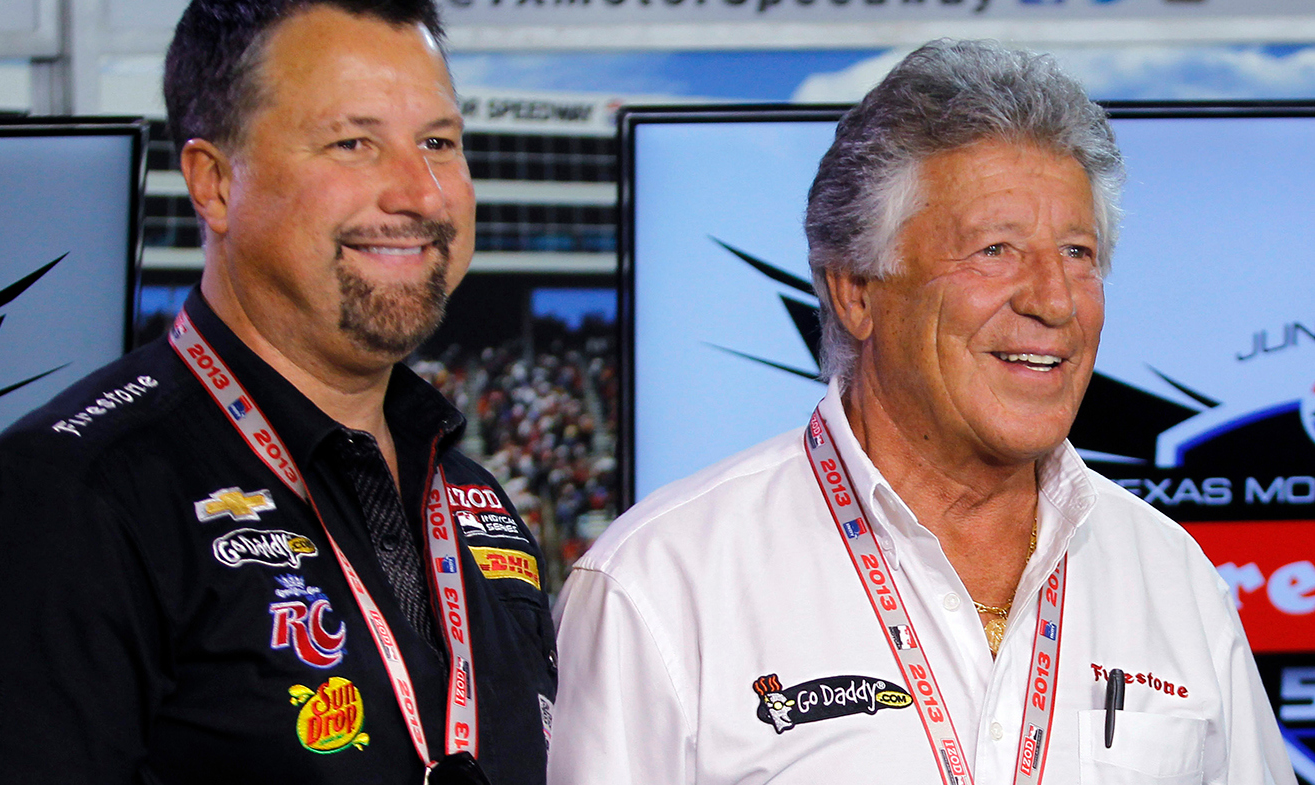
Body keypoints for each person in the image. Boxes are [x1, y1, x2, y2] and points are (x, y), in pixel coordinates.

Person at [547, 39, 1294, 785]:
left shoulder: (1176, 578)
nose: (1055, 299)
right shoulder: (661, 586)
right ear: (858, 291)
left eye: (1077, 252)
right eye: (996, 249)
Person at [0, 1, 556, 782]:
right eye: (353, 143)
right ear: (214, 183)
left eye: (439, 142)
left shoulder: (473, 499)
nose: (420, 193)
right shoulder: (60, 507)